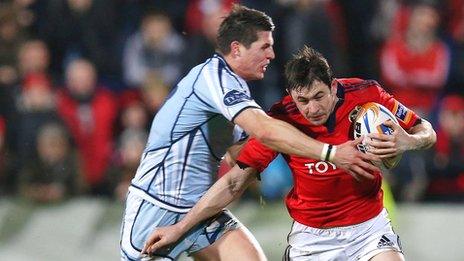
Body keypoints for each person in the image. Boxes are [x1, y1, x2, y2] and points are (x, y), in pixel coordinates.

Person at [120, 5, 379, 261]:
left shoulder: (234, 88)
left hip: (197, 210)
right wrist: (329, 152)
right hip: (156, 208)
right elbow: (265, 130)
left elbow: (238, 156)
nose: (272, 54)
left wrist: (304, 143)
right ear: (237, 49)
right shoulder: (213, 77)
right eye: (264, 46)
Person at [142, 46, 437, 260]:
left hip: (369, 228)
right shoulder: (281, 121)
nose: (312, 109)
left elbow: (426, 131)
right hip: (312, 239)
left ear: (333, 86)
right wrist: (179, 228)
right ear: (292, 95)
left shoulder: (366, 93)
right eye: (303, 100)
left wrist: (406, 142)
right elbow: (234, 182)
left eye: (320, 96)